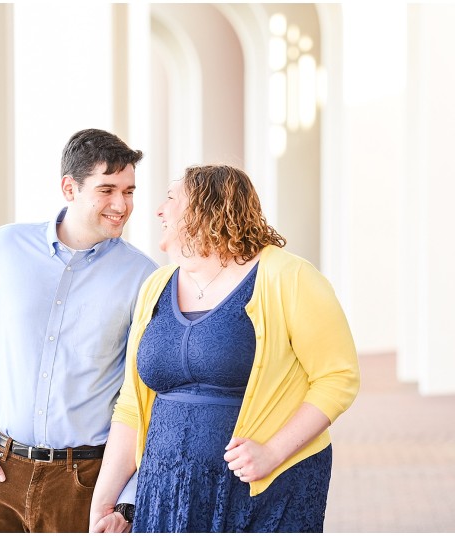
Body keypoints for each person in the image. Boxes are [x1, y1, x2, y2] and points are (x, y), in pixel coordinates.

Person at [89, 164, 360, 533]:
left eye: (171, 199)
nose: (159, 211)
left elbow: (337, 378)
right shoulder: (156, 285)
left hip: (264, 492)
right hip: (167, 491)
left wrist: (272, 453)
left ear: (206, 209)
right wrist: (106, 501)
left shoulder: (289, 277)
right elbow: (132, 406)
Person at [0, 128, 158, 533]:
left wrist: (126, 498)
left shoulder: (144, 277)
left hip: (85, 482)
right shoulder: (6, 247)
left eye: (129, 191)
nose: (121, 204)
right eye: (107, 189)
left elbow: (147, 396)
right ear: (69, 188)